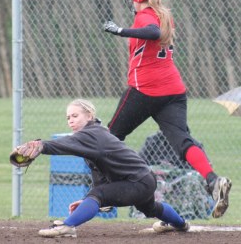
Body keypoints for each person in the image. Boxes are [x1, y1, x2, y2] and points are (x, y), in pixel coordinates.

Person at [103, 0, 232, 219]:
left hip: (145, 89)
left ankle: (105, 194)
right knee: (182, 141)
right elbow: (154, 32)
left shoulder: (145, 16)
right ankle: (213, 181)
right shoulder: (165, 16)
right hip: (173, 91)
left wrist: (120, 30)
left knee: (110, 137)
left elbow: (151, 32)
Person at [14, 99, 189, 238]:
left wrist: (42, 146)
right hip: (143, 180)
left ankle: (66, 226)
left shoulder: (92, 134)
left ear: (89, 116)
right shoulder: (94, 134)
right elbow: (100, 176)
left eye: (75, 115)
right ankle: (180, 224)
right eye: (68, 118)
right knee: (150, 208)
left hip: (137, 181)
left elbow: (65, 144)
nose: (71, 121)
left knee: (98, 195)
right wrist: (88, 202)